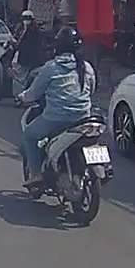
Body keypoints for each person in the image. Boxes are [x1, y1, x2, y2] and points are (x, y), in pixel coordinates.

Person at [18, 26, 95, 187]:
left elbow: (34, 93)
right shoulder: (86, 67)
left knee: (29, 136)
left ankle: (36, 175)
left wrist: (22, 97)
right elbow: (92, 90)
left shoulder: (51, 68)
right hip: (83, 118)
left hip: (56, 119)